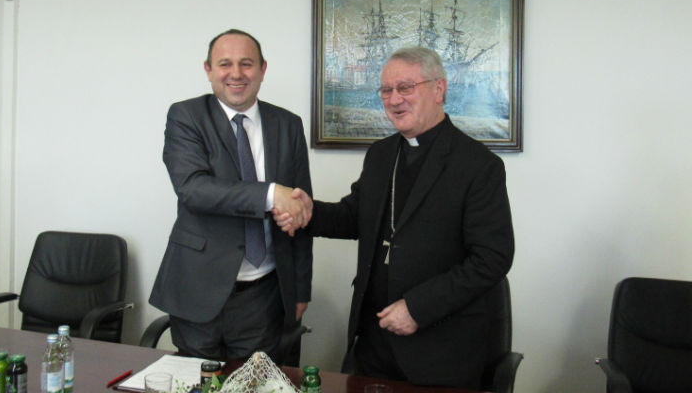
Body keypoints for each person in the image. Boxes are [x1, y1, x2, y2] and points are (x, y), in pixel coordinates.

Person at [276, 46, 514, 388]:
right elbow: (355, 216)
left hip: (440, 348)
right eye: (386, 90)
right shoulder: (381, 154)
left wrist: (417, 308)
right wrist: (308, 213)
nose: (394, 99)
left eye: (405, 87)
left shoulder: (478, 165)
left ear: (439, 89)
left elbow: (492, 258)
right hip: (374, 340)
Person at [149, 28, 313, 362]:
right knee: (197, 381)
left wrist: (300, 289)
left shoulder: (288, 124)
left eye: (246, 64)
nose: (236, 74)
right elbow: (194, 189)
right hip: (197, 288)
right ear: (208, 70)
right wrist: (271, 194)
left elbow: (300, 211)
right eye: (225, 64)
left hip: (263, 296)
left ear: (262, 69)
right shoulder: (186, 116)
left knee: (255, 382)